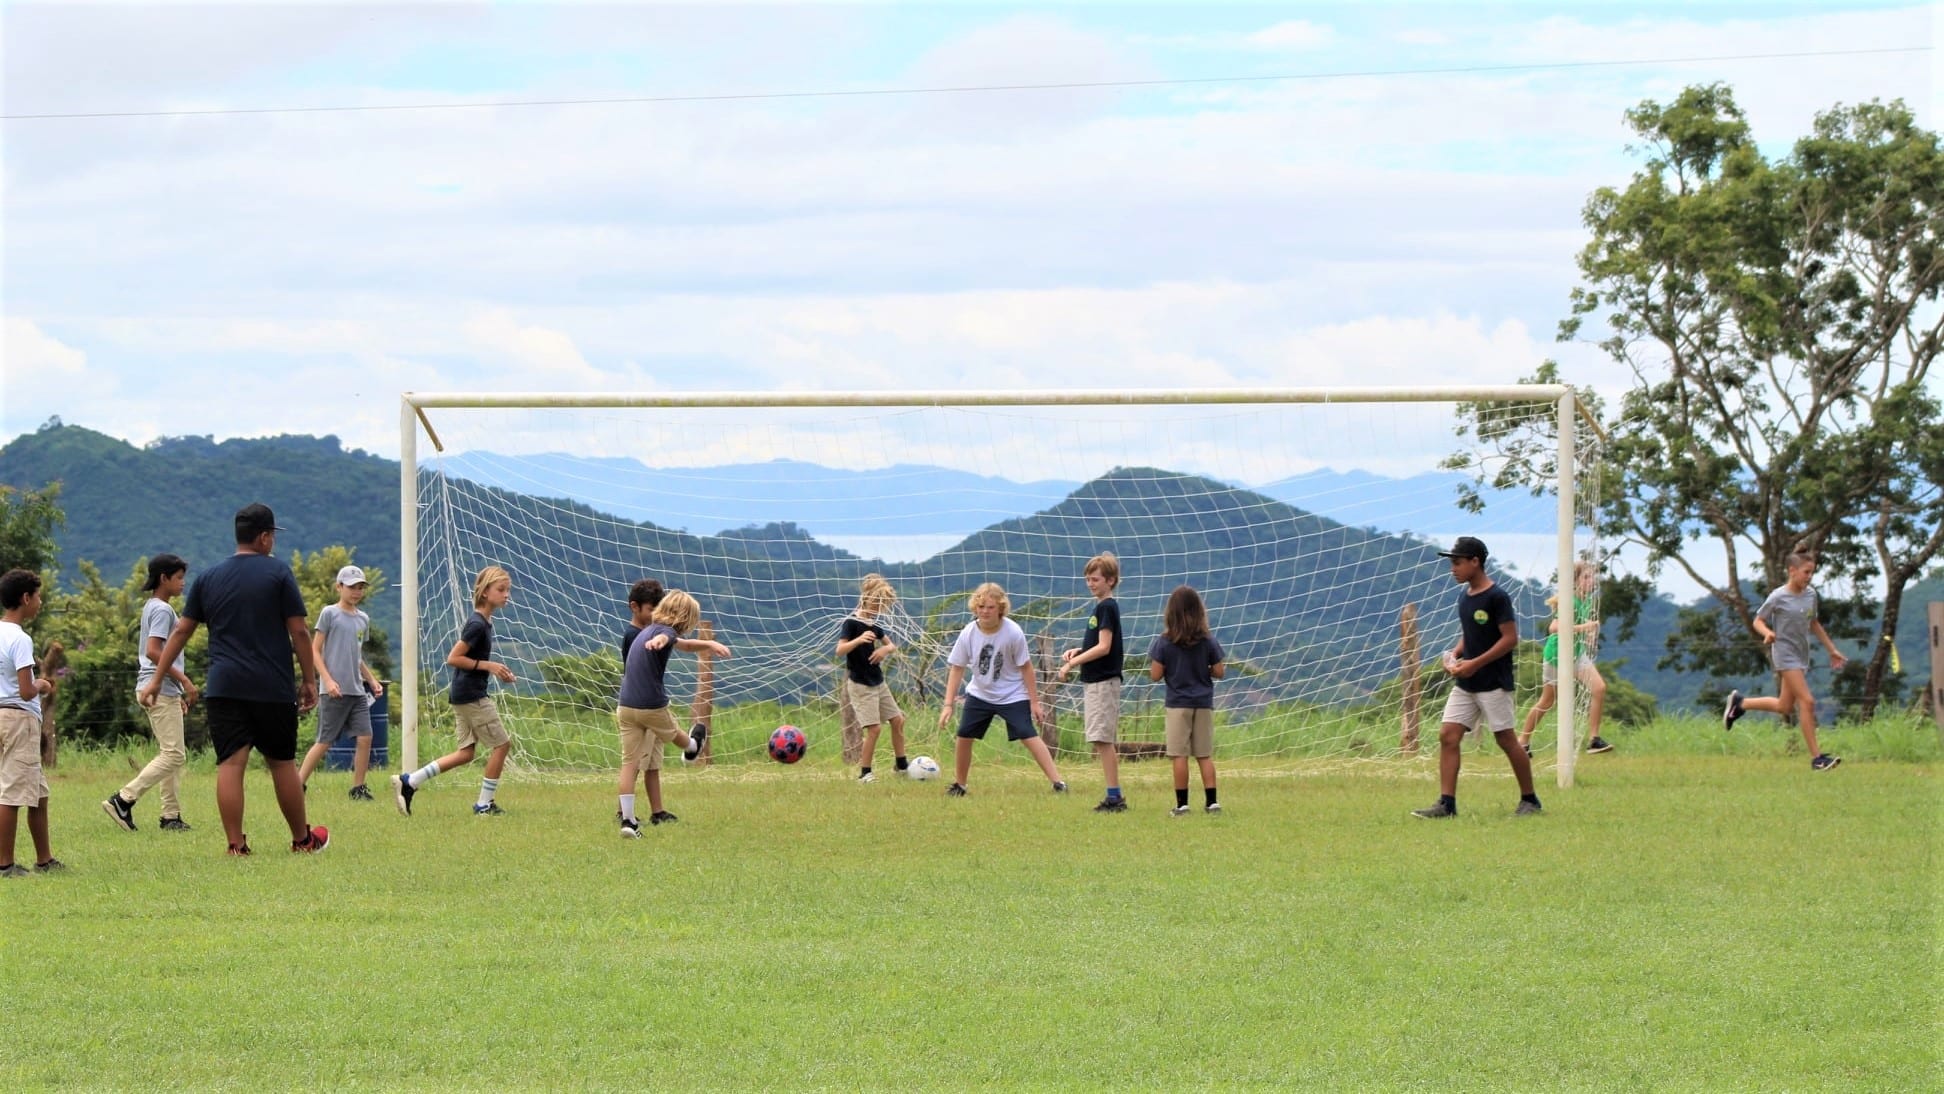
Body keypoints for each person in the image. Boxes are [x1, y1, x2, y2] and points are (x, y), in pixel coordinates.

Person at [139, 503, 329, 855]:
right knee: (282, 762)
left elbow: (181, 631)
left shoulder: (209, 577)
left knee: (231, 763)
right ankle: (303, 840)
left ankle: (235, 844)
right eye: (271, 535)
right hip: (271, 685)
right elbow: (300, 632)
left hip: (224, 686)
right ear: (264, 537)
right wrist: (308, 679)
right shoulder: (279, 574)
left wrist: (155, 681)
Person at [1412, 536, 1543, 819]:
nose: (1453, 569)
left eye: (1457, 563)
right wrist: (1455, 656)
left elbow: (1509, 639)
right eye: (1451, 564)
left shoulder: (1497, 597)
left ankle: (1530, 800)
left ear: (1475, 562)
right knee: (1448, 735)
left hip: (1493, 682)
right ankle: (1446, 804)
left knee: (1506, 739)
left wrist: (1476, 664)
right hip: (1465, 683)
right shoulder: (1464, 596)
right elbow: (1468, 636)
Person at [393, 565, 517, 816]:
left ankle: (411, 781)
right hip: (472, 696)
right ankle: (484, 804)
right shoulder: (477, 625)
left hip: (462, 694)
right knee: (502, 745)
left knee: (466, 753)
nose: (507, 595)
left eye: (508, 590)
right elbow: (453, 657)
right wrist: (489, 666)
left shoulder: (484, 623)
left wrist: (494, 670)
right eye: (501, 590)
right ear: (484, 593)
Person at [937, 582, 1067, 797]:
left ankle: (1058, 783)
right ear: (974, 608)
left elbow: (1026, 668)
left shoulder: (1013, 632)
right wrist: (948, 704)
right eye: (980, 607)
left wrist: (1034, 702)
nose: (985, 611)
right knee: (964, 735)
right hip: (980, 694)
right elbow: (957, 668)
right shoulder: (968, 632)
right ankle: (960, 785)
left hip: (1012, 694)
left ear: (1000, 608)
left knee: (1027, 734)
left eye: (990, 607)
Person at [1723, 551, 1849, 771]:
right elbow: (1758, 620)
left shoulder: (1811, 595)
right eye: (1806, 572)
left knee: (1784, 706)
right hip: (1784, 653)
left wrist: (1832, 650)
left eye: (1812, 573)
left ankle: (1741, 704)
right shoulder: (1778, 596)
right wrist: (1767, 633)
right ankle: (1817, 759)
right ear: (1792, 571)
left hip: (1801, 655)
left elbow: (1814, 624)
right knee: (1807, 702)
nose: (1809, 577)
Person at [615, 590, 728, 835]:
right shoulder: (664, 632)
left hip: (625, 706)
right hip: (650, 704)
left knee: (629, 763)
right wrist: (660, 643)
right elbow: (667, 639)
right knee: (675, 734)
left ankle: (628, 821)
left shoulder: (646, 630)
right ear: (685, 618)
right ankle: (692, 747)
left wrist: (708, 643)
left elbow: (684, 645)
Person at [103, 554, 199, 832]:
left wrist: (176, 689)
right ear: (163, 579)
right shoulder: (162, 610)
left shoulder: (154, 607)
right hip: (156, 688)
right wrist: (185, 680)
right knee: (174, 755)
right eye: (179, 578)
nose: (183, 583)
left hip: (162, 688)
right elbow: (154, 651)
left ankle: (171, 816)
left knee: (170, 752)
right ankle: (123, 799)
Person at [295, 565, 383, 800]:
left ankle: (358, 787)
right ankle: (298, 784)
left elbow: (358, 656)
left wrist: (372, 680)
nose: (357, 592)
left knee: (365, 737)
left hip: (356, 690)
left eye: (361, 587)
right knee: (325, 741)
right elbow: (314, 650)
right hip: (333, 691)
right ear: (339, 587)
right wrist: (328, 680)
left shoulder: (363, 619)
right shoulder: (329, 614)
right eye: (352, 587)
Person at [1516, 561, 1612, 757]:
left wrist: (1587, 630)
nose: (1591, 580)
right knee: (1547, 701)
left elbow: (1574, 624)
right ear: (1575, 581)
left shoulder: (1584, 599)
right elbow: (1555, 628)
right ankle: (1522, 742)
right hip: (1558, 656)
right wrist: (1587, 627)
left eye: (1592, 576)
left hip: (1575, 653)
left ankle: (1594, 740)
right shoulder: (1570, 601)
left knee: (1599, 688)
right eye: (1586, 577)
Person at [1, 569, 62, 875]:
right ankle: (5, 864)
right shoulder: (20, 638)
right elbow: (26, 690)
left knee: (38, 793)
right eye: (37, 596)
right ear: (25, 598)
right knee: (11, 793)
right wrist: (44, 684)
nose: (39, 602)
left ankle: (44, 859)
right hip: (18, 720)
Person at [1147, 584, 1225, 817]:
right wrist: (1204, 669)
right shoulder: (1208, 640)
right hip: (1203, 702)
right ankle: (1212, 802)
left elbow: (1155, 674)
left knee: (1179, 755)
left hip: (1177, 704)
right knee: (1204, 754)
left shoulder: (1164, 642)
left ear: (1170, 613)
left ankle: (1182, 804)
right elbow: (1220, 671)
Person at [1059, 552, 1127, 812]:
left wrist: (1071, 664)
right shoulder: (1100, 607)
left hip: (1103, 682)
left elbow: (1104, 646)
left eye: (1095, 579)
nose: (1091, 583)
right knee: (1100, 739)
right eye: (1088, 579)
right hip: (1095, 681)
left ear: (1110, 580)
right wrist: (1078, 650)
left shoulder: (1107, 606)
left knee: (1103, 739)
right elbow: (1096, 644)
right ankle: (1113, 795)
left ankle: (1114, 797)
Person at [838, 574, 907, 783]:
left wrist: (884, 650)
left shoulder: (875, 625)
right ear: (865, 597)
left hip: (878, 681)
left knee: (898, 720)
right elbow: (840, 650)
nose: (878, 608)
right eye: (876, 602)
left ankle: (901, 765)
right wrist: (858, 640)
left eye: (882, 605)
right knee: (875, 728)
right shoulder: (851, 623)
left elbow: (891, 645)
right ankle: (865, 773)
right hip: (860, 684)